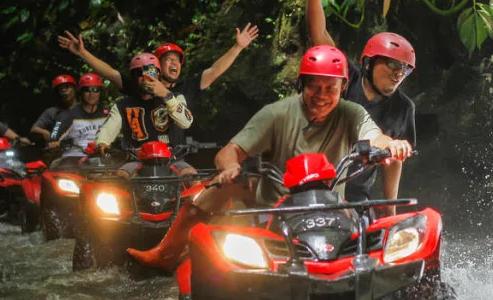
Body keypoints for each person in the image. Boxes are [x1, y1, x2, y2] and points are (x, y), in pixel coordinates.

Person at [128, 45, 412, 270]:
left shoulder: (352, 113)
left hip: (332, 209)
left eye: (331, 88)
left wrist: (391, 145)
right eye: (315, 86)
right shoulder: (276, 114)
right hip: (274, 207)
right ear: (302, 84)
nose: (322, 95)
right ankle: (164, 253)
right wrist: (229, 168)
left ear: (342, 88)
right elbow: (230, 152)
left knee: (375, 247)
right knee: (217, 187)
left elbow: (374, 136)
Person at [304, 0, 416, 205]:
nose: (398, 73)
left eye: (404, 68)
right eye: (390, 64)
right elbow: (319, 37)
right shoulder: (346, 79)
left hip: (356, 197)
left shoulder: (403, 107)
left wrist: (389, 209)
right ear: (369, 63)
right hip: (313, 185)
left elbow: (393, 162)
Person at [57, 24, 259, 115]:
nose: (174, 64)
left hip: (174, 157)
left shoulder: (186, 87)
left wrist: (237, 47)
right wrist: (82, 53)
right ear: (155, 65)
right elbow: (109, 72)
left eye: (177, 60)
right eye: (168, 60)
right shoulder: (140, 85)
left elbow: (215, 70)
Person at [93, 53, 195, 178]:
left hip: (172, 159)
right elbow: (108, 128)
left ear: (158, 74)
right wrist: (102, 142)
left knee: (192, 177)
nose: (145, 77)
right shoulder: (123, 105)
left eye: (149, 72)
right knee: (120, 177)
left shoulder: (175, 97)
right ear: (134, 77)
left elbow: (186, 122)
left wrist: (167, 96)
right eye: (139, 73)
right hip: (137, 160)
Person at [48, 73, 109, 168]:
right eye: (87, 90)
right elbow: (54, 136)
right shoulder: (67, 115)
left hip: (102, 157)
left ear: (100, 93)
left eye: (95, 90)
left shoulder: (109, 114)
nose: (91, 94)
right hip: (73, 158)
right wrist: (54, 142)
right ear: (81, 93)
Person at [30, 74, 78, 145]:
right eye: (61, 89)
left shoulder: (85, 108)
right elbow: (34, 129)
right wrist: (44, 132)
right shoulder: (52, 112)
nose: (64, 91)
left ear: (74, 89)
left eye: (67, 87)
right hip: (59, 149)